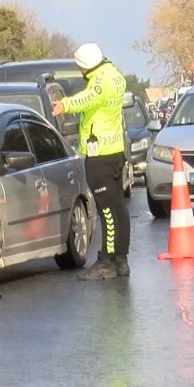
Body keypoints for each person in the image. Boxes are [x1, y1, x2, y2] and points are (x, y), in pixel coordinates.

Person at [52, 42, 131, 280]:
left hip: (100, 154)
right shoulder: (114, 73)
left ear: (85, 65)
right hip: (115, 150)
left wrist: (65, 104)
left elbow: (88, 98)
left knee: (106, 211)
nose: (79, 71)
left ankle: (107, 261)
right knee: (118, 209)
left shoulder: (99, 80)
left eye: (79, 66)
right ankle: (121, 260)